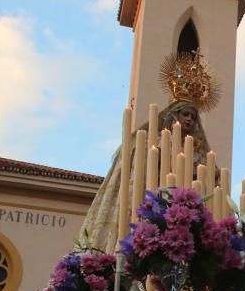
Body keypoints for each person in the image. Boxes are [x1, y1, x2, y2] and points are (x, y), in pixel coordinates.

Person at [81, 99, 214, 253]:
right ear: (174, 116)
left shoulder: (194, 151)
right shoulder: (156, 140)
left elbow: (204, 172)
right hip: (154, 192)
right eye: (185, 114)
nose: (190, 119)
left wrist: (209, 172)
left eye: (193, 116)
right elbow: (140, 157)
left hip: (180, 205)